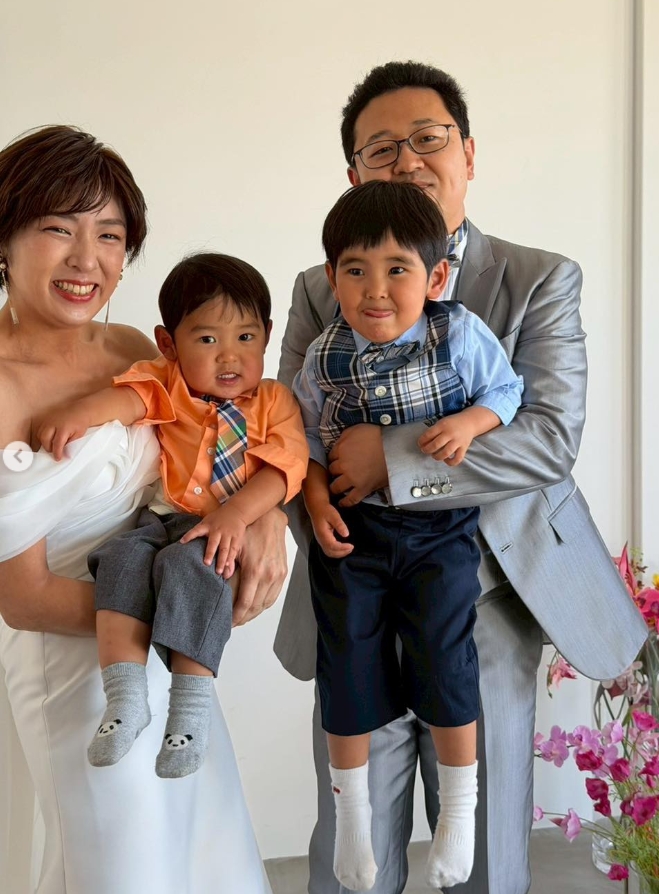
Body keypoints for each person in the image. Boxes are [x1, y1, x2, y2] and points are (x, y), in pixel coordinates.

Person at [274, 61, 649, 894]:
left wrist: (393, 458)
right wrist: (312, 503)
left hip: (488, 594)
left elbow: (546, 439)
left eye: (427, 138)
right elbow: (289, 433)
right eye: (380, 148)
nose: (406, 160)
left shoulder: (537, 277)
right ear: (353, 175)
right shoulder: (319, 288)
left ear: (468, 153)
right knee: (349, 848)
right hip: (356, 589)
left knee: (480, 856)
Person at [0, 125, 283, 894]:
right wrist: (187, 606)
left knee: (199, 852)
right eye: (57, 228)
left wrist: (263, 520)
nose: (85, 259)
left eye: (109, 234)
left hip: (172, 661)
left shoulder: (135, 348)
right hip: (76, 668)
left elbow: (224, 446)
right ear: (5, 237)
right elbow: (22, 598)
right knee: (123, 867)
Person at [294, 180, 523, 891]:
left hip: (437, 530)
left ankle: (458, 809)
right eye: (355, 270)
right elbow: (303, 442)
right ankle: (352, 817)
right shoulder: (321, 356)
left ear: (436, 277)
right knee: (346, 663)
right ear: (331, 277)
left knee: (445, 659)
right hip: (353, 532)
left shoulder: (459, 334)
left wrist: (468, 423)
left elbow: (507, 393)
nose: (376, 289)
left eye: (398, 269)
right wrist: (314, 501)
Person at [36, 252, 308, 779]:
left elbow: (284, 469)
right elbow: (128, 401)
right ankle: (125, 697)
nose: (229, 356)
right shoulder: (167, 383)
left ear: (268, 336)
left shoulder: (274, 401)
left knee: (187, 568)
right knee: (119, 560)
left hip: (221, 530)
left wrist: (237, 515)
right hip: (161, 518)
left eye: (246, 337)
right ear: (168, 344)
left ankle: (189, 713)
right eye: (207, 339)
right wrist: (75, 415)